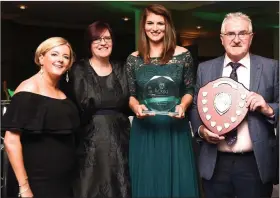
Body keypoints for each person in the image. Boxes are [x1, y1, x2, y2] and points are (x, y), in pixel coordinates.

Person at [190, 12, 279, 198]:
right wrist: (201, 130)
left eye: (242, 33)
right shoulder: (205, 69)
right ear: (222, 39)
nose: (236, 39)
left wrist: (269, 109)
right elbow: (195, 107)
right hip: (215, 163)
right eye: (231, 34)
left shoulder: (271, 68)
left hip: (254, 163)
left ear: (251, 37)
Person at [125, 4, 200, 198]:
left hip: (175, 128)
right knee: (148, 182)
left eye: (160, 23)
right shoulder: (133, 59)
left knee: (179, 181)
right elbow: (131, 95)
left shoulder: (183, 55)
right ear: (143, 26)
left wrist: (183, 106)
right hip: (145, 130)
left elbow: (189, 90)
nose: (155, 28)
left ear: (168, 26)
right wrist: (135, 107)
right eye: (150, 23)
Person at [60, 21, 131, 198]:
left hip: (121, 141)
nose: (103, 43)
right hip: (88, 143)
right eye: (97, 39)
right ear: (89, 44)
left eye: (107, 38)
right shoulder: (77, 70)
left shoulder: (123, 69)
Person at [2, 37, 79, 198]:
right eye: (55, 54)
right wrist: (24, 188)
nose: (60, 60)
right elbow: (11, 141)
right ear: (41, 58)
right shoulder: (28, 89)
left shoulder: (63, 91)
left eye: (66, 57)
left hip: (63, 181)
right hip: (37, 181)